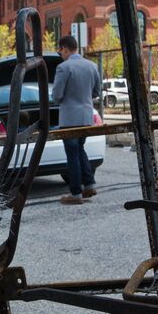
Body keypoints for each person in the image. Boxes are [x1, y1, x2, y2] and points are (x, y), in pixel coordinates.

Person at [51, 34, 102, 204]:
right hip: (87, 116)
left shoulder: (64, 68)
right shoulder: (92, 66)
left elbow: (57, 95)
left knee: (72, 153)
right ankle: (89, 184)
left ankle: (75, 194)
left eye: (61, 51)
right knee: (80, 149)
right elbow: (96, 92)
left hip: (69, 118)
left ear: (64, 48)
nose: (61, 54)